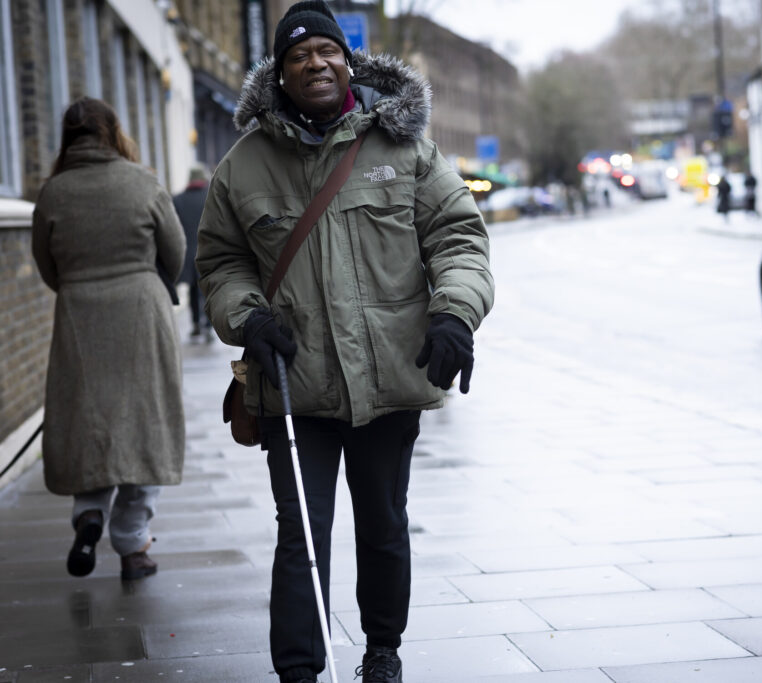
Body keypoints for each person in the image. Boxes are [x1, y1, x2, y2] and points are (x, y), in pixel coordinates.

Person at [195, 2, 494, 682]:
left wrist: (454, 313)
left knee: (385, 524)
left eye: (326, 51)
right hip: (293, 380)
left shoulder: (404, 147)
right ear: (281, 74)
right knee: (302, 534)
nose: (315, 63)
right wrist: (248, 316)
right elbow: (219, 261)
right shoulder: (243, 166)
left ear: (348, 62)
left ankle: (383, 649)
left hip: (391, 374)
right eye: (299, 55)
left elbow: (458, 237)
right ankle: (299, 670)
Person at [31, 96, 186, 582]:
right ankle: (133, 544)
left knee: (90, 423)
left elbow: (46, 265)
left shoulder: (53, 192)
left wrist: (80, 288)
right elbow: (176, 252)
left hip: (79, 315)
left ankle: (90, 514)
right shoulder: (142, 183)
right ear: (113, 132)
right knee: (145, 423)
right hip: (143, 312)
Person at [173, 165, 213, 341]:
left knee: (193, 290)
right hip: (209, 251)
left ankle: (196, 323)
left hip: (188, 252)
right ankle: (209, 325)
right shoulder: (209, 197)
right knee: (208, 289)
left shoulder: (178, 200)